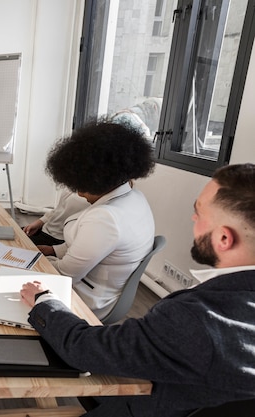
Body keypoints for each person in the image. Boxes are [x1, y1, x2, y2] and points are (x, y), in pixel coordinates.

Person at [20, 163, 255, 416]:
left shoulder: (195, 322)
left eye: (199, 212)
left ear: (224, 238)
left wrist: (44, 301)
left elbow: (85, 349)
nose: (193, 219)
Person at [37, 121, 155, 319]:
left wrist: (35, 261)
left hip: (85, 299)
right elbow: (94, 247)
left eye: (81, 186)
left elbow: (66, 276)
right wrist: (53, 250)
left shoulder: (106, 219)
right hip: (99, 287)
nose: (79, 193)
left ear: (97, 179)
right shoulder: (134, 197)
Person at [22, 188, 89, 246]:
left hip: (58, 239)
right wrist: (40, 222)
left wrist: (55, 250)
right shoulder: (74, 184)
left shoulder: (93, 197)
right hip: (46, 229)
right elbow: (58, 209)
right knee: (16, 235)